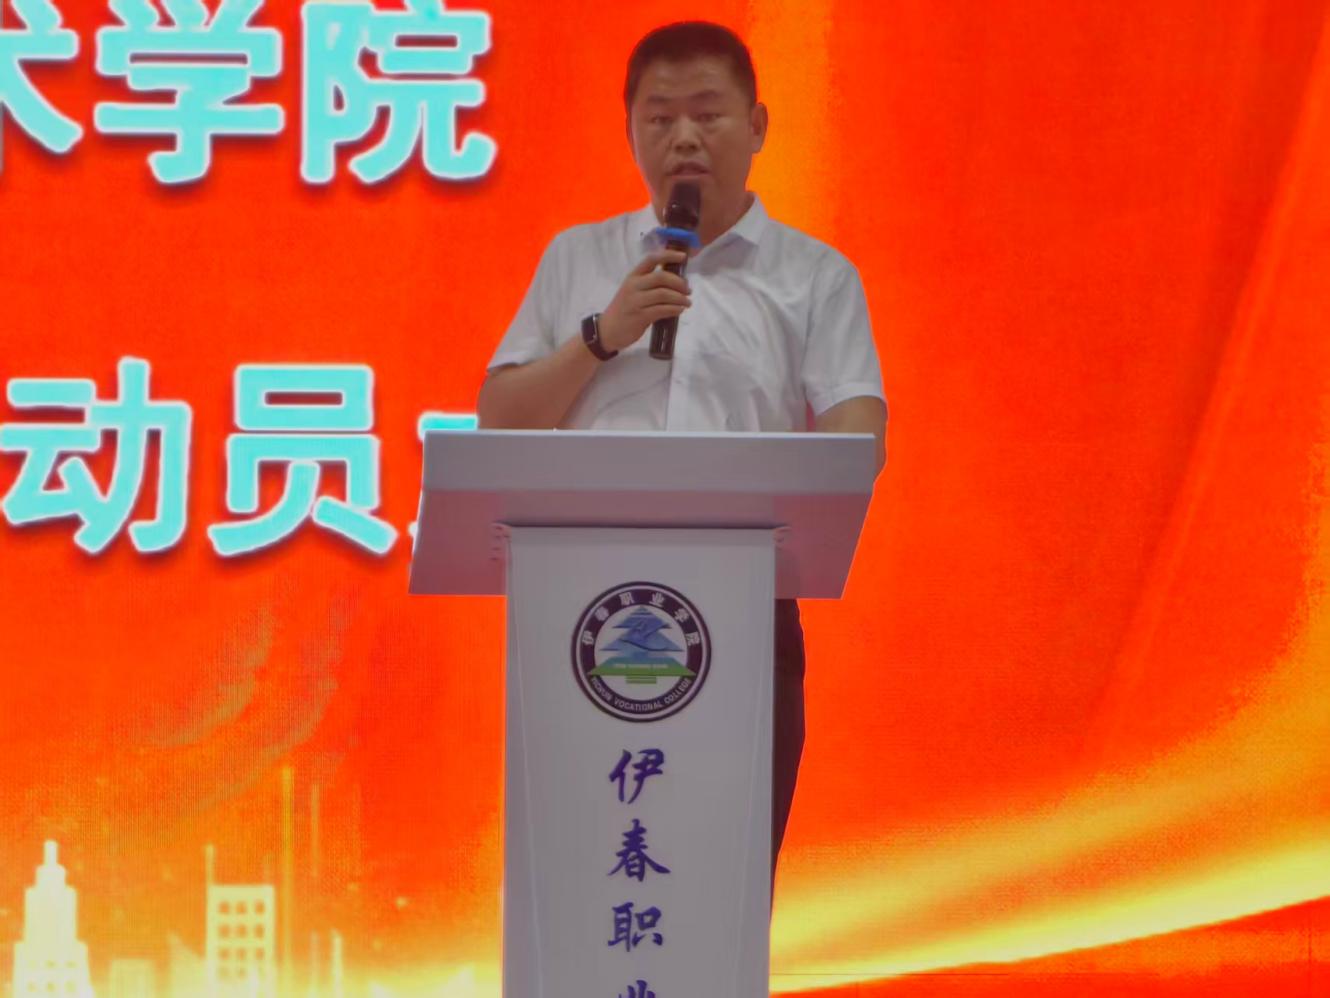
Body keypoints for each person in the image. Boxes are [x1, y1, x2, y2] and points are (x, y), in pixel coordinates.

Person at [477, 21, 886, 879]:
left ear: (758, 126)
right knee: (583, 877)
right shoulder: (578, 258)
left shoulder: (815, 276)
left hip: (747, 608)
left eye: (707, 113)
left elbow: (855, 440)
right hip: (582, 609)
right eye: (659, 119)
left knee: (722, 883)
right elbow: (501, 419)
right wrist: (604, 334)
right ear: (630, 133)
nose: (684, 138)